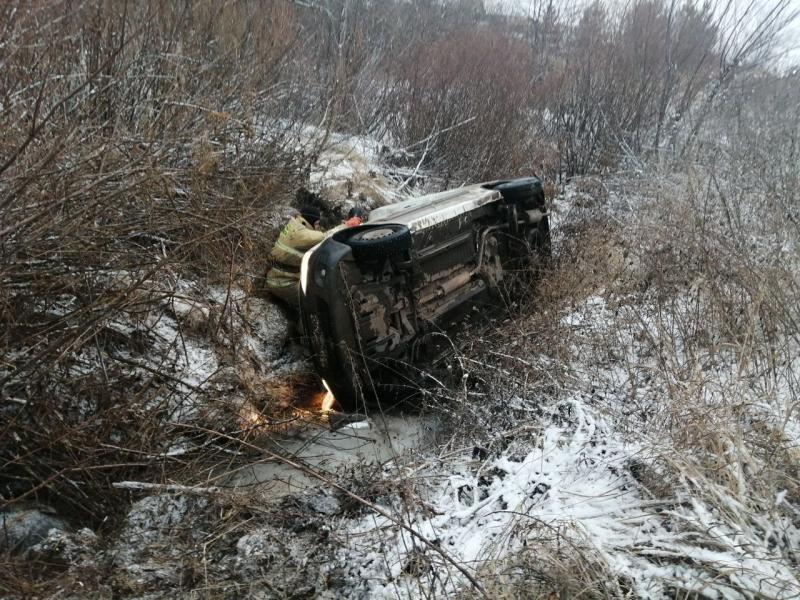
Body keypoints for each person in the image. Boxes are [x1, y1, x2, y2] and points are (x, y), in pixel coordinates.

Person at [265, 206, 326, 306]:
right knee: (315, 302)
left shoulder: (294, 224)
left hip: (274, 278)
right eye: (317, 223)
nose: (318, 226)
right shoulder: (300, 234)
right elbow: (325, 236)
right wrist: (345, 226)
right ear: (310, 221)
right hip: (283, 284)